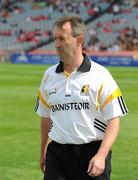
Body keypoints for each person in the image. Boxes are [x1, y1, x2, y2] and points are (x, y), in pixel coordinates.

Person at [34, 15, 128, 180]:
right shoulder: (49, 75)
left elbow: (114, 119)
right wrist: (43, 151)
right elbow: (45, 117)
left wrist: (101, 155)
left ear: (79, 40)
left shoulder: (100, 75)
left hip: (91, 154)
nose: (57, 44)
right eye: (55, 39)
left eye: (62, 39)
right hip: (57, 154)